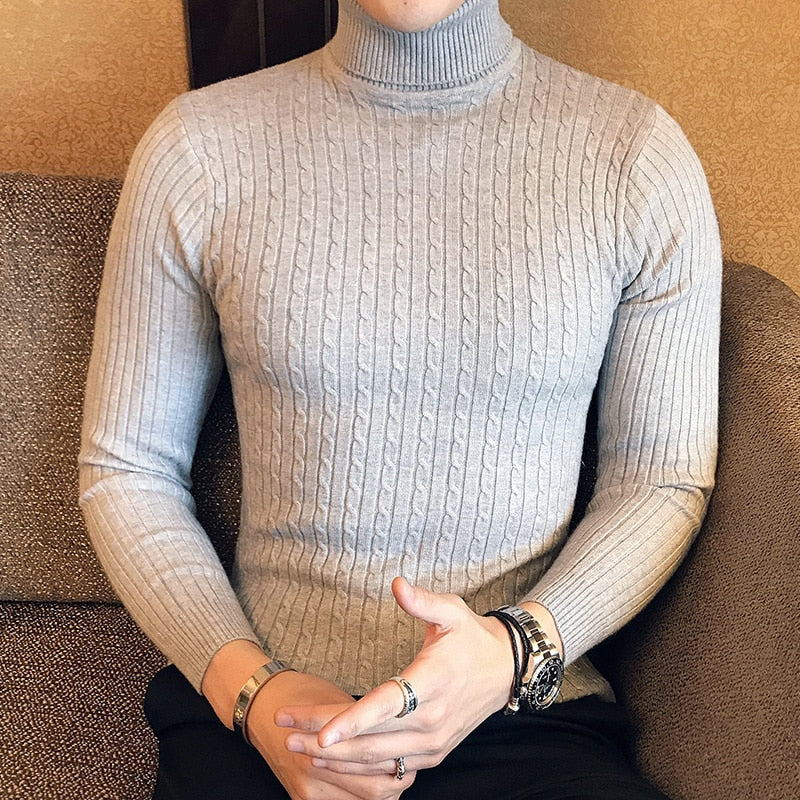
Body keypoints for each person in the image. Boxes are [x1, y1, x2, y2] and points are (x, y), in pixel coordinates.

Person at [79, 0, 722, 798]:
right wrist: (255, 691)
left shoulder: (637, 160)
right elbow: (128, 468)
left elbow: (660, 476)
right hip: (264, 716)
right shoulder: (197, 152)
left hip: (522, 716)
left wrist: (513, 651)